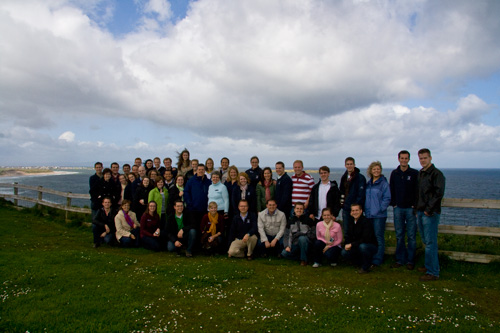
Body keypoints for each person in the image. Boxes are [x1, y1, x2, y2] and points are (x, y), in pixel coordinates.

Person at [416, 148, 445, 282]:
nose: (423, 160)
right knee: (426, 241)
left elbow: (438, 194)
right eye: (421, 158)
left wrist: (428, 209)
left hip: (430, 213)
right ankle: (428, 266)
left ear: (430, 158)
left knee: (431, 243)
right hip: (421, 211)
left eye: (425, 158)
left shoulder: (436, 174)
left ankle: (433, 272)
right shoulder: (421, 173)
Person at [389, 150, 419, 270]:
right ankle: (400, 259)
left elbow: (418, 190)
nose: (404, 160)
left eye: (406, 158)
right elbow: (392, 189)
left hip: (410, 209)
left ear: (409, 159)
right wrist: (394, 204)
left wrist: (414, 205)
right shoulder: (394, 173)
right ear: (398, 159)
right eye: (402, 158)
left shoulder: (415, 173)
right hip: (398, 209)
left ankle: (410, 260)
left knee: (411, 236)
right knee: (399, 235)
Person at [364, 161, 391, 267]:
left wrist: (380, 209)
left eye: (378, 169)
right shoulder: (369, 184)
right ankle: (370, 257)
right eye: (374, 169)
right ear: (370, 170)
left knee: (379, 237)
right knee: (371, 238)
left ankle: (378, 259)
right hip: (369, 215)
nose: (376, 171)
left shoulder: (383, 183)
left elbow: (387, 198)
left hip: (379, 216)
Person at [341, 204, 377, 274]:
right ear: (351, 212)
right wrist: (347, 244)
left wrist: (351, 244)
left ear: (361, 211)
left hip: (369, 246)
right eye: (353, 211)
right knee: (344, 252)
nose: (355, 212)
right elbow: (348, 235)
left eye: (356, 210)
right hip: (356, 245)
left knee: (362, 247)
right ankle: (358, 263)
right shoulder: (350, 222)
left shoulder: (366, 222)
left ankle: (366, 267)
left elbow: (366, 238)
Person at [339, 157, 366, 236]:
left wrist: (356, 207)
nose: (349, 166)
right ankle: (347, 247)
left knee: (357, 230)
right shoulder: (344, 177)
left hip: (356, 209)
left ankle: (356, 247)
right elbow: (341, 191)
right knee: (347, 230)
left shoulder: (360, 178)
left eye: (351, 164)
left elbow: (361, 194)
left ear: (354, 165)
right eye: (348, 164)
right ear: (345, 165)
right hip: (346, 208)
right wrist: (342, 204)